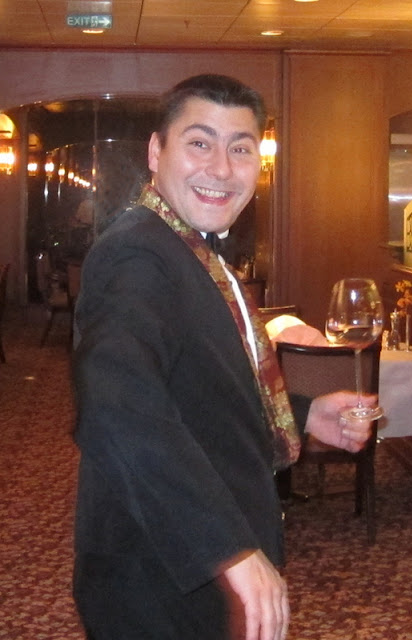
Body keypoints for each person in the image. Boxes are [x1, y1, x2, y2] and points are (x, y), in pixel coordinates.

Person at [72, 74, 376, 640]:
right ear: (156, 152)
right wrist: (226, 546)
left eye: (240, 149)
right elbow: (118, 408)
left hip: (189, 566)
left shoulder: (189, 248)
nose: (221, 168)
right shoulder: (136, 255)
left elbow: (200, 388)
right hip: (161, 576)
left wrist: (305, 413)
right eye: (199, 143)